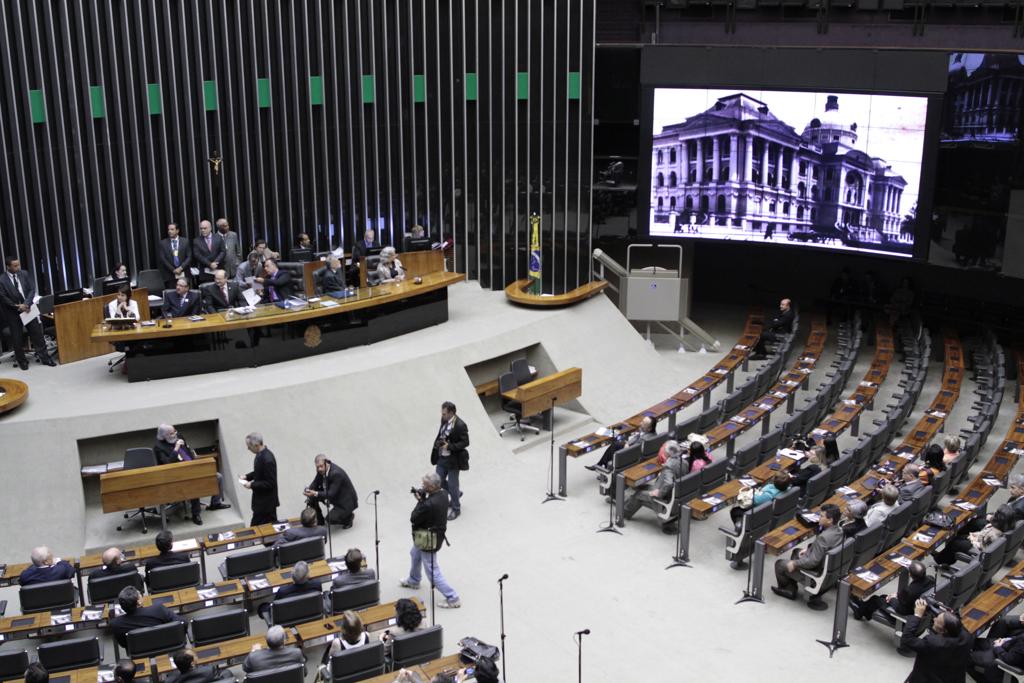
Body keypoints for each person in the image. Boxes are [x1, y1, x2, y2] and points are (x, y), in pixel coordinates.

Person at [400, 472, 460, 609]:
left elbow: (414, 518)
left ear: (432, 487)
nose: (422, 486)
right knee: (415, 554)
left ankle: (452, 597)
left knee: (432, 571)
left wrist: (421, 501)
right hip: (430, 534)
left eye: (425, 485)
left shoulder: (428, 504)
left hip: (428, 539)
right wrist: (424, 499)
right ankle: (414, 580)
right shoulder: (444, 494)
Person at [153, 424, 230, 524]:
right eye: (172, 433)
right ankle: (196, 514)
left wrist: (195, 462)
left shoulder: (179, 436)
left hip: (193, 467)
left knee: (218, 477)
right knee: (193, 483)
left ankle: (215, 503)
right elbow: (167, 463)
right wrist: (176, 449)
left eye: (175, 431)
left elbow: (187, 451)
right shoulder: (159, 447)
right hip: (177, 475)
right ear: (164, 436)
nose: (175, 434)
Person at [772, 503, 843, 601]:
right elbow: (824, 546)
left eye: (822, 516)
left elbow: (812, 562)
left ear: (830, 520)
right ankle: (792, 581)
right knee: (796, 551)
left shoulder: (823, 537)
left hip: (816, 574)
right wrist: (810, 548)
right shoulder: (839, 531)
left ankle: (789, 590)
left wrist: (795, 563)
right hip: (829, 572)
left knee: (780, 564)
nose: (819, 518)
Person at [0, 256, 55, 369]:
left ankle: (45, 358)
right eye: (15, 266)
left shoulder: (24, 274)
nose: (18, 267)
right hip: (13, 312)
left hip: (28, 308)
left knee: (37, 335)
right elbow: (3, 297)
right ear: (8, 266)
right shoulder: (2, 279)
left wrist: (26, 304)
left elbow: (31, 289)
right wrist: (17, 306)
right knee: (17, 338)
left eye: (18, 265)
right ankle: (22, 361)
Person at [900, 599, 973, 682]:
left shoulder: (933, 643)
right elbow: (954, 622)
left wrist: (917, 615)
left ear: (943, 631)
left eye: (936, 620)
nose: (934, 619)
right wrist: (941, 611)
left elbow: (907, 638)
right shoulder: (967, 637)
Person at [622, 440, 688, 528]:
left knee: (639, 495)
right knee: (643, 487)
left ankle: (623, 513)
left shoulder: (669, 466)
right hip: (676, 495)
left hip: (665, 498)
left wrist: (659, 493)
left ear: (667, 453)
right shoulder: (684, 462)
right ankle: (625, 506)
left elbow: (668, 484)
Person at [851, 560, 934, 624]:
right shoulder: (931, 579)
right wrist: (897, 595)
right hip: (912, 605)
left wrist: (891, 599)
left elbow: (900, 609)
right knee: (883, 596)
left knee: (875, 599)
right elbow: (905, 598)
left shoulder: (909, 591)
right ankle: (866, 612)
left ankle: (859, 612)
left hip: (905, 613)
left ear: (910, 575)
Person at [934, 504, 1014, 566]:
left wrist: (972, 538)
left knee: (955, 543)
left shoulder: (993, 535)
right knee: (960, 537)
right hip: (981, 541)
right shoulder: (1004, 526)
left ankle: (940, 560)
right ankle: (947, 560)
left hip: (978, 549)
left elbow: (982, 546)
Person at [430, 401, 469, 521]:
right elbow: (442, 434)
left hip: (453, 460)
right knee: (438, 481)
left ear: (451, 413)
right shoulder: (444, 420)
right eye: (442, 413)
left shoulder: (460, 425)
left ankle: (456, 509)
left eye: (445, 414)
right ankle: (456, 493)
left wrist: (450, 446)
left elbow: (465, 442)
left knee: (452, 485)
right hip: (442, 457)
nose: (442, 416)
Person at [110, 585, 180, 647]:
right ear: (139, 602)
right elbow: (182, 623)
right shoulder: (158, 610)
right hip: (167, 646)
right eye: (140, 594)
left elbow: (124, 644)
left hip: (140, 652)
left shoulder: (116, 624)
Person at [304, 454, 359, 528]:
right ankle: (320, 521)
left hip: (345, 503)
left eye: (321, 466)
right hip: (334, 494)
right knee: (312, 498)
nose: (319, 469)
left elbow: (330, 494)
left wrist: (315, 493)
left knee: (330, 519)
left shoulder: (336, 473)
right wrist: (309, 489)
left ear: (327, 463)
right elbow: (316, 482)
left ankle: (348, 518)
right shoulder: (322, 470)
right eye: (317, 467)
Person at [588, 416, 657, 471]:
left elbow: (635, 448)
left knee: (615, 445)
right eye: (642, 421)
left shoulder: (645, 439)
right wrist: (627, 443)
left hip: (633, 455)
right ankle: (602, 465)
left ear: (649, 429)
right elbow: (637, 438)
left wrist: (627, 445)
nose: (640, 423)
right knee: (615, 444)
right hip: (633, 449)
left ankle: (606, 468)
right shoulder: (649, 433)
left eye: (643, 423)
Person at [972, 614, 1024, 682]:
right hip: (1011, 644)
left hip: (1007, 653)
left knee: (969, 657)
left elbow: (1010, 659)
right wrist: (1007, 639)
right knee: (1002, 622)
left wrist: (998, 647)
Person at [242, 432, 279, 525]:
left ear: (256, 445)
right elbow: (259, 472)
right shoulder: (260, 454)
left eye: (249, 446)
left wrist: (252, 484)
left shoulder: (268, 459)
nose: (248, 448)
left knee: (262, 530)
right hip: (261, 503)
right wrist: (247, 476)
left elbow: (270, 483)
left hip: (266, 505)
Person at [158, 223, 192, 288]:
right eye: (168, 230)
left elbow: (189, 257)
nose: (169, 231)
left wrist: (181, 268)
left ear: (177, 230)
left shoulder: (185, 241)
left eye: (172, 229)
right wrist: (173, 270)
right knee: (172, 293)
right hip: (170, 274)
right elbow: (163, 259)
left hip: (184, 272)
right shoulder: (163, 243)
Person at [192, 220, 226, 285]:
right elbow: (197, 255)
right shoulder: (196, 240)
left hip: (218, 269)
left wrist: (215, 262)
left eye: (205, 228)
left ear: (210, 228)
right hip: (205, 272)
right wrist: (210, 264)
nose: (203, 230)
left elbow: (223, 251)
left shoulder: (218, 237)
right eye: (201, 228)